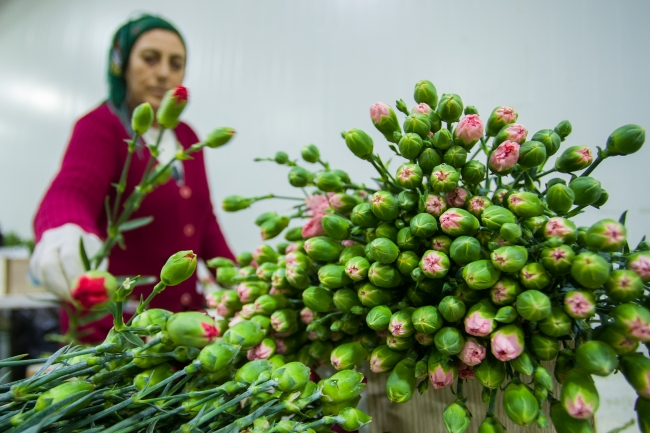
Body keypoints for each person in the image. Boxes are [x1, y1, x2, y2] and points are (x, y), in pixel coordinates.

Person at [30, 14, 234, 343]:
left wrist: (240, 279)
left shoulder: (187, 136)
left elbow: (205, 222)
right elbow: (71, 191)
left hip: (181, 332)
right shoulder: (102, 126)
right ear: (121, 65)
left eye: (176, 63)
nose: (164, 73)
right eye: (150, 59)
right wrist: (64, 229)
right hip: (115, 336)